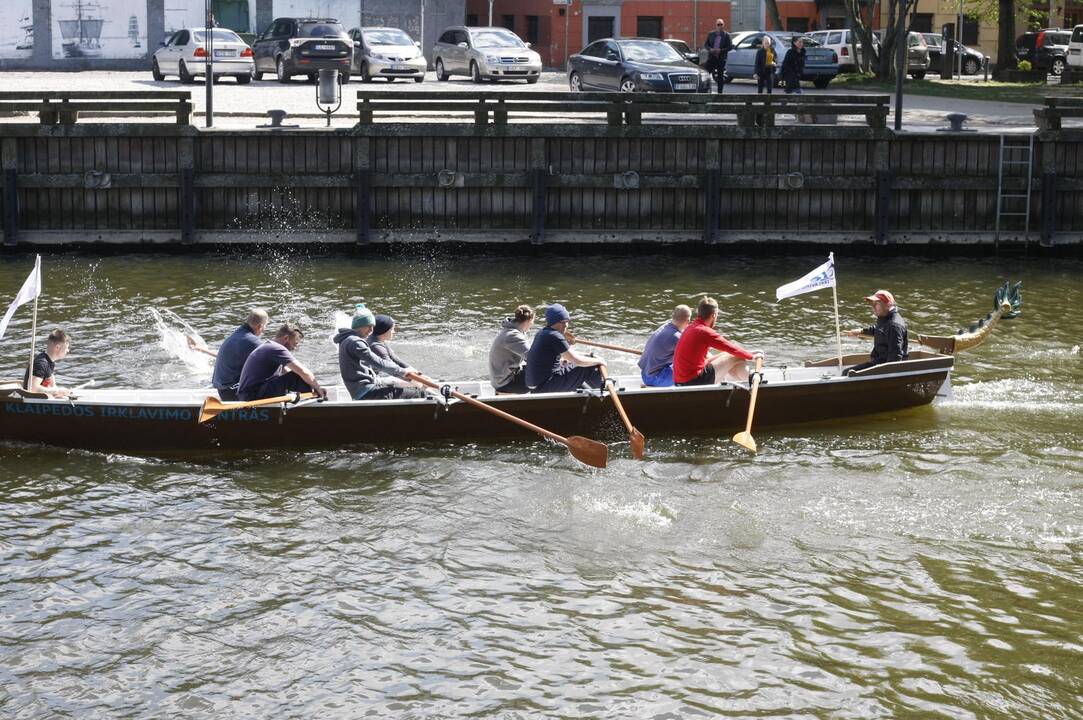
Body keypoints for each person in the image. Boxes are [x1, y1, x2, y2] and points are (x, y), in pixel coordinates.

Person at [332, 305, 427, 401]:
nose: (371, 330)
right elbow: (379, 363)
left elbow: (392, 360)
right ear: (359, 326)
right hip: (368, 392)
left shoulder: (345, 340)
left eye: (372, 327)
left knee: (403, 387)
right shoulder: (355, 342)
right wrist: (403, 372)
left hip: (363, 390)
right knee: (420, 394)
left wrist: (410, 373)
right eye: (368, 326)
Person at [673, 296, 762, 387]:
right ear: (713, 316)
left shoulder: (691, 327)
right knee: (734, 355)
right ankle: (753, 382)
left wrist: (747, 354)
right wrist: (752, 357)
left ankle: (748, 379)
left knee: (729, 355)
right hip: (694, 381)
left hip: (680, 382)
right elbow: (731, 348)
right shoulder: (704, 331)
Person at [525, 303, 606, 394]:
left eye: (567, 321)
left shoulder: (542, 333)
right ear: (554, 322)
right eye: (562, 322)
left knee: (579, 363)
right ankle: (604, 394)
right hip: (545, 386)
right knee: (590, 367)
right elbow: (577, 360)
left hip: (537, 386)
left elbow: (568, 354)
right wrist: (598, 361)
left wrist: (589, 355)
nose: (566, 325)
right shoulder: (554, 336)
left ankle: (588, 389)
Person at [237, 323, 326, 401]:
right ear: (286, 338)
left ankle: (305, 396)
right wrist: (318, 388)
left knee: (297, 376)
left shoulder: (269, 346)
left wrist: (311, 384)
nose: (294, 348)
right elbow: (303, 372)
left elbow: (286, 371)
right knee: (297, 376)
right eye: (295, 344)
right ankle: (313, 401)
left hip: (248, 394)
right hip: (253, 395)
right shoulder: (276, 349)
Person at [206, 308, 269, 401]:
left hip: (223, 390)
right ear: (260, 326)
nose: (265, 329)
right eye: (266, 326)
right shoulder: (252, 341)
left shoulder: (237, 334)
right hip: (232, 393)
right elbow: (274, 360)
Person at [845, 289, 908, 374]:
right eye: (872, 304)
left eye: (876, 304)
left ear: (888, 304)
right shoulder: (885, 317)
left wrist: (884, 376)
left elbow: (895, 358)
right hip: (878, 361)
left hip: (884, 366)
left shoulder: (894, 326)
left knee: (847, 373)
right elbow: (879, 329)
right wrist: (861, 331)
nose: (873, 307)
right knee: (847, 372)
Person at [638, 305, 692, 387]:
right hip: (654, 379)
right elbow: (694, 357)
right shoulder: (676, 337)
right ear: (688, 321)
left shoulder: (666, 326)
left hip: (645, 374)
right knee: (692, 369)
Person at [489, 304, 535, 394]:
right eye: (533, 321)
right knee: (542, 372)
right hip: (505, 383)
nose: (532, 325)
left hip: (502, 379)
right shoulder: (513, 336)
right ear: (529, 321)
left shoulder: (512, 331)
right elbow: (533, 358)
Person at [23, 328, 72, 397]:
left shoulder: (50, 361)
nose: (68, 350)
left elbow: (52, 386)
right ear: (57, 347)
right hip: (30, 402)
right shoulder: (41, 363)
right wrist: (56, 391)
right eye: (66, 348)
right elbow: (32, 389)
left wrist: (62, 391)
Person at [703, 19, 733, 93]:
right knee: (706, 73)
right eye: (718, 24)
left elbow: (730, 47)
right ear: (716, 25)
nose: (719, 26)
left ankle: (720, 93)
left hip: (721, 58)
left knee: (720, 76)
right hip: (712, 57)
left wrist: (721, 50)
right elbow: (706, 44)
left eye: (721, 24)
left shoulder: (726, 35)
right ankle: (704, 90)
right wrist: (710, 49)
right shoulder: (711, 34)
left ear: (723, 25)